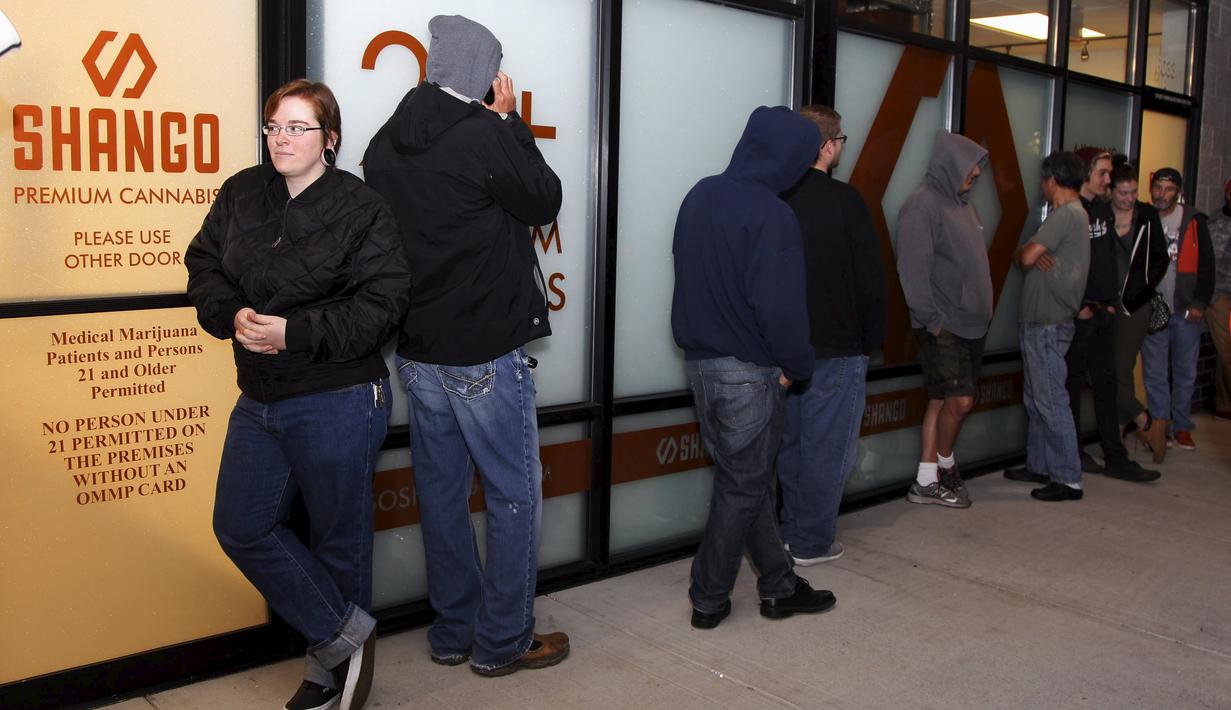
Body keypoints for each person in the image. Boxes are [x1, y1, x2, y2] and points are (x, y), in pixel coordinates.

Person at [185, 79, 410, 710]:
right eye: (274, 127)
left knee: (339, 541)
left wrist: (296, 332)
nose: (281, 139)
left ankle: (331, 680)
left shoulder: (362, 207)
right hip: (259, 395)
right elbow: (202, 264)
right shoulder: (241, 192)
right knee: (241, 526)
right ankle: (345, 637)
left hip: (338, 394)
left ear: (329, 139)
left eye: (297, 128)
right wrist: (230, 313)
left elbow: (384, 304)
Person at [362, 15, 569, 677]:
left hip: (419, 350)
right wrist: (510, 121)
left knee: (443, 497)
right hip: (483, 345)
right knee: (512, 495)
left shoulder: (385, 141)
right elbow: (543, 200)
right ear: (486, 72)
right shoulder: (484, 133)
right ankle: (503, 640)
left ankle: (453, 632)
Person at [672, 105, 836, 630]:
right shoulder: (771, 213)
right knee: (743, 487)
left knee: (748, 482)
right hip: (750, 370)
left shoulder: (700, 195)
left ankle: (779, 586)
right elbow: (779, 306)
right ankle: (708, 596)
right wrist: (796, 365)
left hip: (701, 367)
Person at [777, 105, 884, 565]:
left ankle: (788, 531)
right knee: (827, 447)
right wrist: (870, 341)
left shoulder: (775, 197)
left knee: (789, 445)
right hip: (838, 346)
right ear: (826, 147)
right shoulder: (847, 201)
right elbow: (870, 281)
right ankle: (811, 542)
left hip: (783, 348)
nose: (841, 148)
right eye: (840, 141)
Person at [896, 130, 992, 508]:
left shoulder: (965, 206)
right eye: (971, 165)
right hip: (944, 325)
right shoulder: (921, 205)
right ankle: (947, 466)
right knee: (960, 401)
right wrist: (932, 321)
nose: (977, 173)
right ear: (950, 164)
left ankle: (926, 480)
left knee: (939, 400)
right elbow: (912, 271)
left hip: (972, 324)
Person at [1052, 148, 1157, 482]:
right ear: (1085, 173)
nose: (1108, 180)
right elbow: (1056, 261)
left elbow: (1106, 259)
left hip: (1103, 311)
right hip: (1079, 313)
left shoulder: (1100, 209)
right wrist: (1080, 304)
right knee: (1072, 384)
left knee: (1107, 384)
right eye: (1102, 173)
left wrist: (1110, 302)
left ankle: (1116, 456)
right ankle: (1074, 452)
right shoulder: (1071, 210)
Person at [1011, 151, 1090, 502]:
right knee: (1037, 398)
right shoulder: (1073, 214)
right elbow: (1029, 256)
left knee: (1051, 400)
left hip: (1046, 322)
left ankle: (1067, 478)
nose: (1041, 187)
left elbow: (1026, 256)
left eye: (1043, 181)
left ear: (1053, 181)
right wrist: (1029, 252)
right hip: (1046, 320)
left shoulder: (1065, 215)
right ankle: (1040, 464)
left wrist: (1026, 252)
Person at [1141, 168, 1215, 450]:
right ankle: (1160, 426)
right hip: (1153, 308)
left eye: (1168, 189)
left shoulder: (1194, 221)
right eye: (1157, 188)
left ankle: (1182, 426)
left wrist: (1199, 303)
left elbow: (1207, 266)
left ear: (1178, 192)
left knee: (1185, 372)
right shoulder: (1144, 218)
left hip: (1186, 311)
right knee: (1154, 372)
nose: (1162, 194)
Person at [1107, 160, 1169, 463]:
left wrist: (1141, 290)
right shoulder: (1101, 215)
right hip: (1105, 303)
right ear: (1111, 191)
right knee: (1114, 371)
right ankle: (1142, 424)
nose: (1129, 198)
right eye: (1123, 193)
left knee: (1118, 368)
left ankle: (1141, 424)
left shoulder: (1146, 215)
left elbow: (1160, 259)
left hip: (1135, 305)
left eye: (1133, 192)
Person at [1205, 179, 1231, 420]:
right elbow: (1208, 262)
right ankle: (1225, 402)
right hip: (1219, 294)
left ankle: (1224, 402)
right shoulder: (1215, 223)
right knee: (1226, 350)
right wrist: (1209, 296)